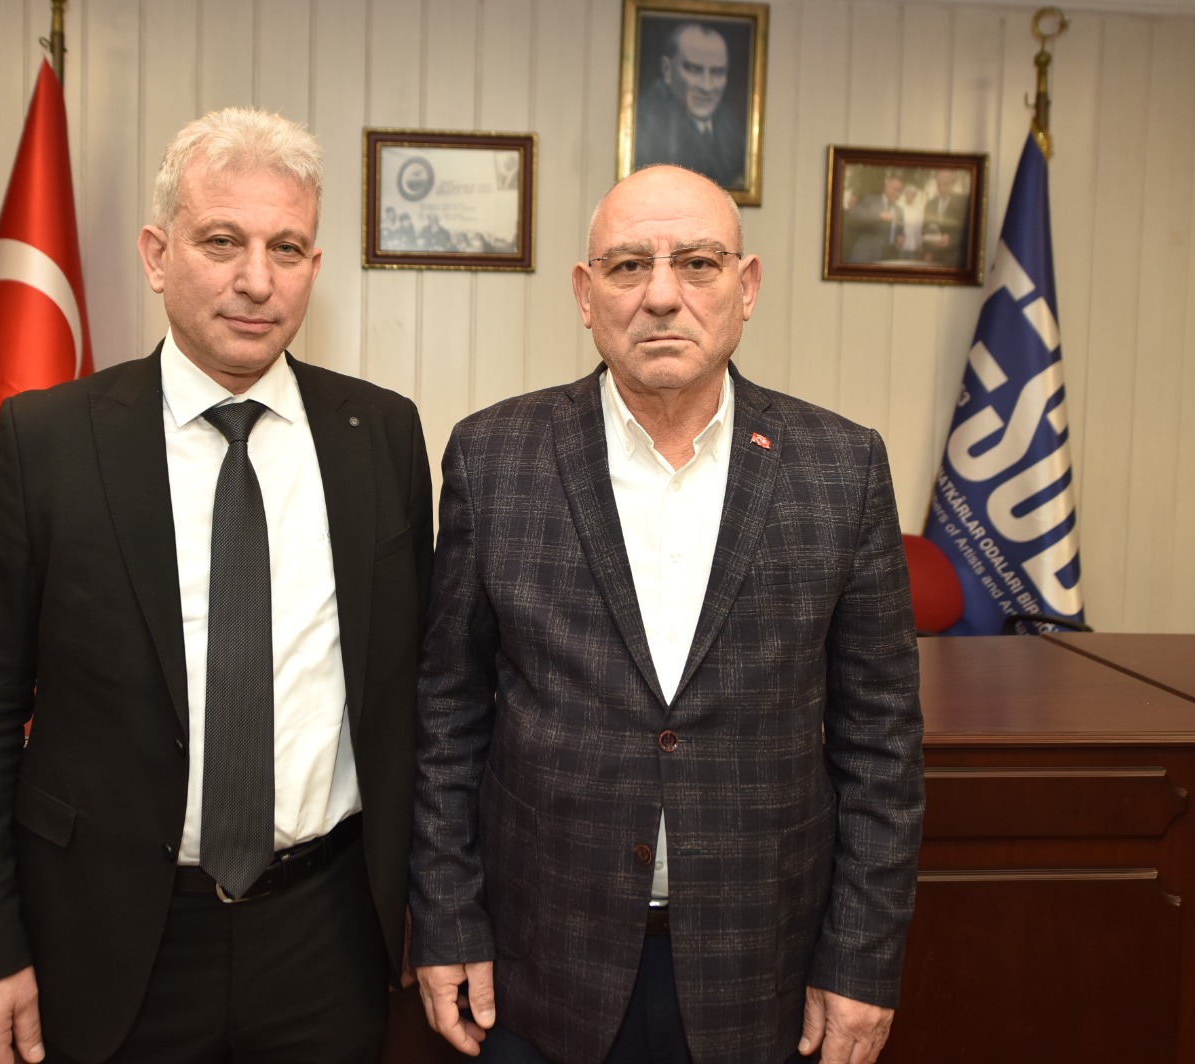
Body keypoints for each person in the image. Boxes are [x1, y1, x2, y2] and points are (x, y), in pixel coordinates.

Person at [0, 107, 433, 1064]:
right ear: (158, 256)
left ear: (315, 268)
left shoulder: (382, 438)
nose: (257, 279)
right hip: (113, 936)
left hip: (327, 937)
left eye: (287, 248)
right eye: (222, 242)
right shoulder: (47, 443)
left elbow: (416, 694)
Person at [410, 164, 923, 1064]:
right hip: (540, 972)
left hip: (763, 976)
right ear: (585, 294)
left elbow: (880, 744)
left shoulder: (841, 468)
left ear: (745, 286)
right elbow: (449, 717)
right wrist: (447, 917)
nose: (660, 296)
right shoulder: (493, 459)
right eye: (627, 266)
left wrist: (861, 960)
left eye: (697, 263)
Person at [633, 22, 747, 190]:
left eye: (717, 72)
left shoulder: (729, 122)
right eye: (694, 70)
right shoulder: (646, 121)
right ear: (667, 70)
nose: (707, 87)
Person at [844, 172, 907, 264]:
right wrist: (879, 216)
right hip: (868, 255)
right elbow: (853, 215)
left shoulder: (899, 210)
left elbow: (900, 229)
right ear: (886, 186)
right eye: (895, 189)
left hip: (891, 256)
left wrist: (901, 237)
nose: (897, 194)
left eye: (899, 191)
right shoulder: (870, 199)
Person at [920, 168, 969, 268]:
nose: (942, 188)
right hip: (933, 259)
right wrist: (927, 252)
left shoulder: (963, 203)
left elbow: (967, 231)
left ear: (953, 183)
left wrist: (950, 240)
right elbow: (925, 230)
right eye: (939, 184)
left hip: (954, 259)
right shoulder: (930, 204)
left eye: (946, 184)